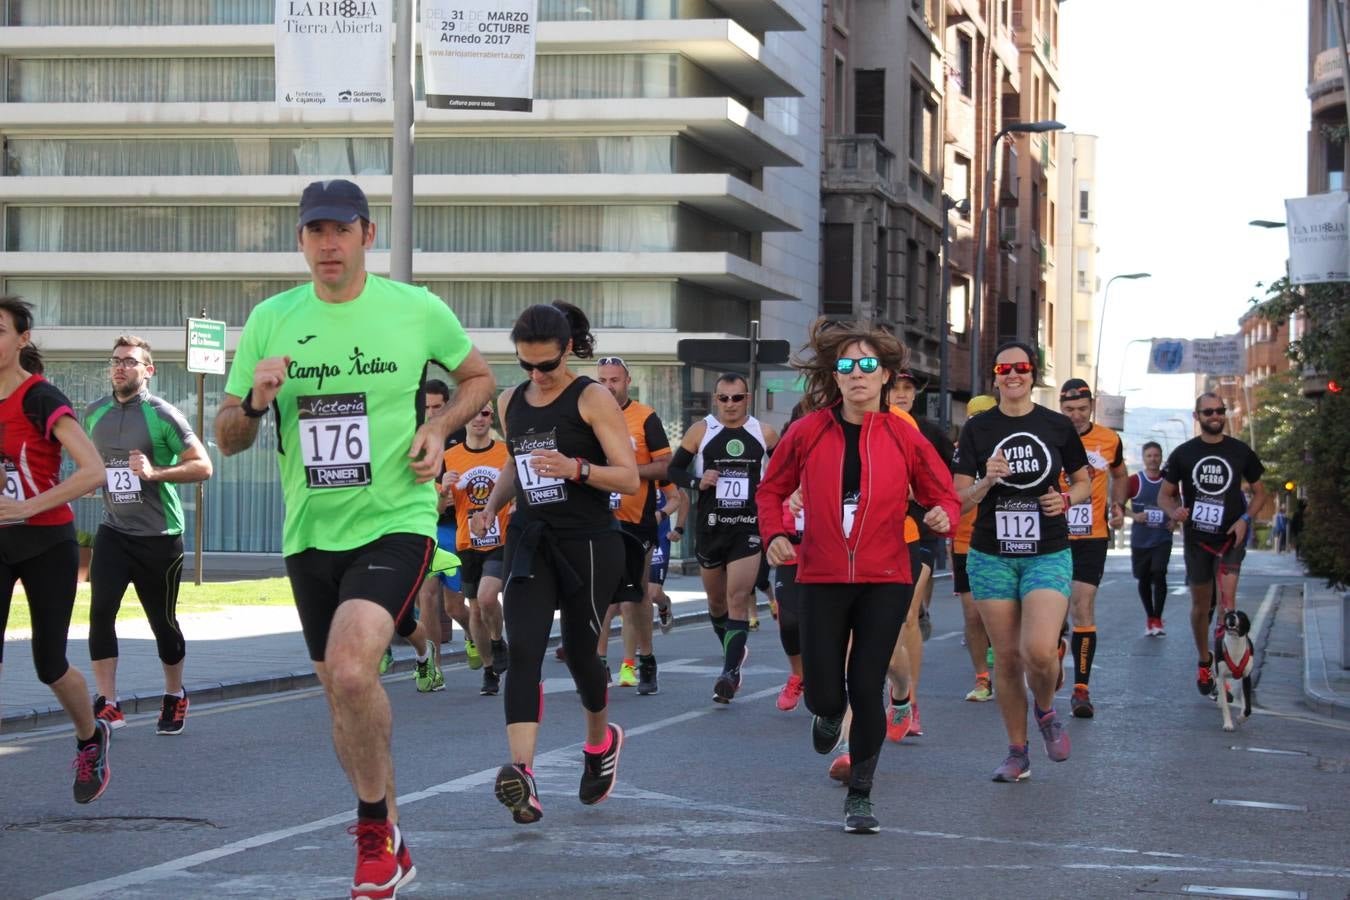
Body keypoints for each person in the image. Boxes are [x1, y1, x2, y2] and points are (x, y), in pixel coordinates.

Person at [215, 178, 494, 900]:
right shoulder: (272, 320)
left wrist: (438, 427)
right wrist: (255, 400)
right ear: (301, 239)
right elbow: (230, 438)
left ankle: (370, 833)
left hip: (394, 519)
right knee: (345, 693)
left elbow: (479, 378)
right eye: (315, 232)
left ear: (368, 235)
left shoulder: (415, 308)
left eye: (341, 230)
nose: (328, 244)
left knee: (348, 668)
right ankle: (393, 830)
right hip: (309, 534)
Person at [758, 319, 958, 834]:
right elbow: (771, 491)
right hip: (821, 575)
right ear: (836, 375)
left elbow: (943, 494)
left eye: (868, 365)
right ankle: (825, 712)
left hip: (886, 576)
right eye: (846, 366)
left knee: (864, 685)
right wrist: (777, 533)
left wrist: (941, 515)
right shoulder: (807, 432)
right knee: (825, 692)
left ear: (887, 375)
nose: (857, 375)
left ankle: (861, 794)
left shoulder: (903, 437)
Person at [473, 302, 638, 826]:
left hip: (588, 542)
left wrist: (576, 468)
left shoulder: (592, 398)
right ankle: (524, 776)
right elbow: (515, 462)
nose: (537, 376)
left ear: (568, 350)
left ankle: (599, 744)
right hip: (531, 539)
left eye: (546, 365)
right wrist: (491, 506)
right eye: (526, 366)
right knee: (523, 651)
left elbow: (629, 477)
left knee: (584, 656)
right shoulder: (509, 401)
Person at [952, 341, 1090, 783]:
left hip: (1046, 552)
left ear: (1034, 374)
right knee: (1007, 659)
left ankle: (1046, 710)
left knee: (1038, 651)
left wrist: (1066, 499)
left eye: (1022, 367)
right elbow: (959, 501)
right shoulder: (977, 429)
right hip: (991, 554)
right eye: (1004, 368)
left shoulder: (1055, 425)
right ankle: (1017, 752)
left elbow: (1084, 480)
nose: (1013, 374)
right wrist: (987, 480)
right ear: (994, 376)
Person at [0, 297, 110, 802]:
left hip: (47, 542)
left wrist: (27, 508)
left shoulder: (40, 396)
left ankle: (91, 737)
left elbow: (92, 471)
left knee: (49, 662)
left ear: (22, 339)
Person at [84, 335, 214, 735]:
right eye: (116, 360)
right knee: (101, 612)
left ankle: (174, 695)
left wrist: (156, 473)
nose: (120, 366)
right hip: (113, 531)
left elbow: (203, 466)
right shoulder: (93, 414)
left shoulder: (164, 415)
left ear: (148, 370)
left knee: (162, 622)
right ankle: (108, 703)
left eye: (130, 361)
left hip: (159, 535)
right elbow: (92, 465)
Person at [668, 374, 779, 703]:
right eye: (724, 398)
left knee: (737, 597)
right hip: (711, 527)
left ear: (748, 398)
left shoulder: (764, 432)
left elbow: (789, 468)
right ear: (715, 400)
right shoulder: (701, 431)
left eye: (737, 398)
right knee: (716, 603)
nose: (730, 404)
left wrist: (777, 492)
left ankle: (729, 674)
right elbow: (674, 471)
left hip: (747, 527)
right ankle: (734, 652)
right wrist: (698, 480)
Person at [1157, 392, 1266, 698]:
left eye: (1220, 411)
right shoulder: (1182, 454)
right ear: (1197, 417)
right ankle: (1205, 659)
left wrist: (1245, 518)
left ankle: (1224, 669)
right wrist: (1174, 512)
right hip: (1198, 541)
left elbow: (1261, 493)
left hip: (1231, 538)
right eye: (1208, 412)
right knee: (1201, 606)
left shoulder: (1240, 451)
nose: (1215, 415)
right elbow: (1165, 496)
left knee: (1227, 604)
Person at [593, 356, 673, 695]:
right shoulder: (589, 415)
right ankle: (597, 663)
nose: (609, 386)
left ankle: (646, 659)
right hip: (597, 516)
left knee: (637, 594)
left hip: (636, 518)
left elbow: (665, 467)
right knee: (597, 592)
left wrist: (627, 471)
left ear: (628, 381)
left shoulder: (645, 417)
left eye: (615, 380)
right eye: (603, 380)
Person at [1055, 378, 1128, 719]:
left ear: (1092, 408)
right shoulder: (1049, 435)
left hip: (1092, 537)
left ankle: (1081, 689)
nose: (1076, 416)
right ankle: (1053, 651)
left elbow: (1120, 474)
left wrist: (1118, 505)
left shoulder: (1109, 439)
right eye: (1069, 410)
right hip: (1052, 536)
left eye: (1082, 410)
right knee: (1054, 610)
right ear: (1060, 408)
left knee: (1082, 606)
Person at [441, 402, 510, 695]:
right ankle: (488, 668)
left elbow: (520, 489)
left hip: (499, 540)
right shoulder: (449, 456)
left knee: (487, 597)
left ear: (491, 417)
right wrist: (442, 489)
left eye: (484, 413)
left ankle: (497, 639)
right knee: (476, 611)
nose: (478, 419)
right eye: (472, 413)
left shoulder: (505, 452)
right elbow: (435, 509)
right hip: (467, 543)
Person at [953, 394, 999, 701]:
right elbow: (954, 498)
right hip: (965, 540)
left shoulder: (1009, 449)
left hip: (1001, 540)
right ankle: (982, 679)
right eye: (974, 416)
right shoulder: (960, 451)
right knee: (972, 615)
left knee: (1004, 615)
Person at [1127, 441, 1174, 636]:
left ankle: (1158, 618)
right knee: (1144, 578)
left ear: (1161, 457)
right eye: (1149, 456)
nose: (1153, 459)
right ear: (1143, 458)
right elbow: (1118, 503)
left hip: (1162, 537)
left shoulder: (1169, 481)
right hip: (1141, 539)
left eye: (1156, 455)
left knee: (1159, 572)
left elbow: (1178, 501)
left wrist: (1174, 519)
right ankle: (1150, 617)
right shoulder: (1135, 481)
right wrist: (1134, 516)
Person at [647, 482, 686, 634]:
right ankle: (640, 640)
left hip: (659, 539)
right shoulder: (625, 469)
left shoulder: (660, 472)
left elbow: (683, 499)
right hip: (634, 536)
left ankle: (664, 605)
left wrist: (679, 528)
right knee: (635, 595)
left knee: (653, 593)